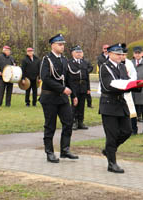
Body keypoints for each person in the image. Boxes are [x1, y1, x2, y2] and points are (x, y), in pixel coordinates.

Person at [99, 43, 143, 173]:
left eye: (121, 54)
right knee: (111, 135)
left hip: (121, 104)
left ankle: (109, 150)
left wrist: (138, 85)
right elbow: (108, 86)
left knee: (127, 131)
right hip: (109, 105)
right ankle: (112, 163)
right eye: (117, 54)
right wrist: (125, 85)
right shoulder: (104, 67)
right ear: (110, 54)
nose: (120, 56)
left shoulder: (122, 67)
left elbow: (127, 82)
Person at [39, 34, 79, 163]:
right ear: (53, 45)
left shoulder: (64, 60)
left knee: (68, 122)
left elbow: (68, 79)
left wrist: (74, 95)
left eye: (63, 45)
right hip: (50, 97)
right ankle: (49, 152)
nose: (62, 47)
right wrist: (62, 89)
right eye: (59, 44)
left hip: (62, 99)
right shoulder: (47, 59)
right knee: (50, 126)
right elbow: (45, 78)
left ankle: (65, 150)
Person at [68, 45, 90, 130]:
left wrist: (88, 88)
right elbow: (69, 77)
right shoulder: (70, 63)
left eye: (80, 52)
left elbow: (86, 76)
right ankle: (74, 122)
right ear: (72, 53)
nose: (79, 54)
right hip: (74, 86)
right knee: (74, 104)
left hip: (83, 86)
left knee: (82, 105)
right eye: (77, 52)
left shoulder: (84, 63)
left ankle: (80, 121)